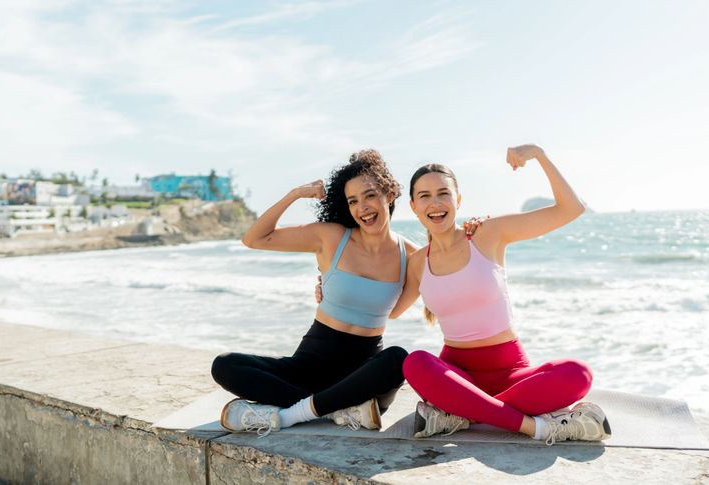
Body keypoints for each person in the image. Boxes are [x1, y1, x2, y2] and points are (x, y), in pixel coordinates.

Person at [390, 144, 611, 445]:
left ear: (458, 199)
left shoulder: (487, 233)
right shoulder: (417, 263)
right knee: (414, 362)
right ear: (414, 206)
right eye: (425, 196)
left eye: (443, 193)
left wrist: (539, 154)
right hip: (456, 375)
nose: (435, 203)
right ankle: (539, 428)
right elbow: (388, 310)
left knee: (578, 374)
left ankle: (462, 412)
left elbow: (571, 209)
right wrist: (332, 283)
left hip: (511, 374)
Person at [211, 150, 415, 436]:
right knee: (225, 365)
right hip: (310, 365)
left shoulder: (411, 257)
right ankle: (333, 411)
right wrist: (295, 194)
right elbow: (254, 238)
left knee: (398, 359)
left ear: (390, 193)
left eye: (369, 195)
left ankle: (294, 412)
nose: (362, 208)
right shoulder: (331, 237)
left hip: (361, 377)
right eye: (353, 201)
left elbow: (405, 306)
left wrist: (473, 233)